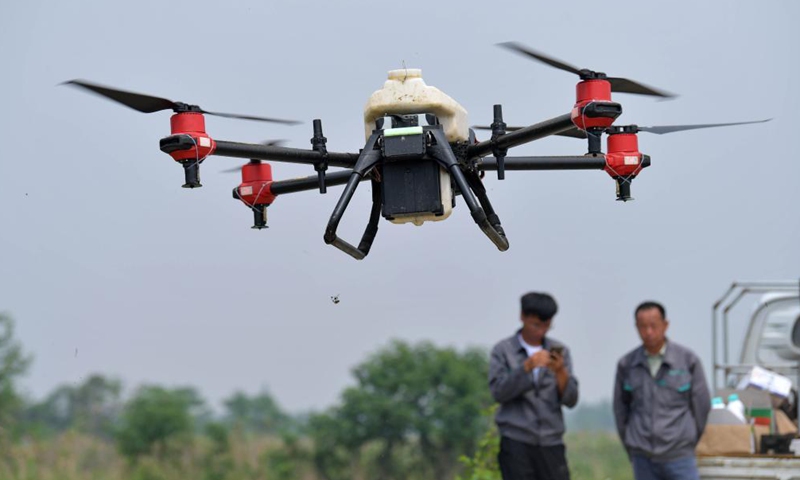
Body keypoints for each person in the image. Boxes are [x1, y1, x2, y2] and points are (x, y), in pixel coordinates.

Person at [613, 301, 711, 480]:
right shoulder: (627, 364)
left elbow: (701, 406)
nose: (648, 332)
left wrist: (686, 441)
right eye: (643, 327)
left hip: (680, 456)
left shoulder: (688, 361)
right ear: (636, 327)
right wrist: (632, 444)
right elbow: (620, 410)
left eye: (653, 326)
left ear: (665, 325)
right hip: (643, 457)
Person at [489, 292, 579, 480]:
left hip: (550, 440)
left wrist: (561, 371)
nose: (540, 331)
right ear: (523, 317)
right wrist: (526, 368)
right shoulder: (503, 351)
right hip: (516, 440)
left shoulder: (559, 351)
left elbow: (571, 400)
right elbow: (498, 392)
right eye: (536, 325)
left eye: (546, 326)